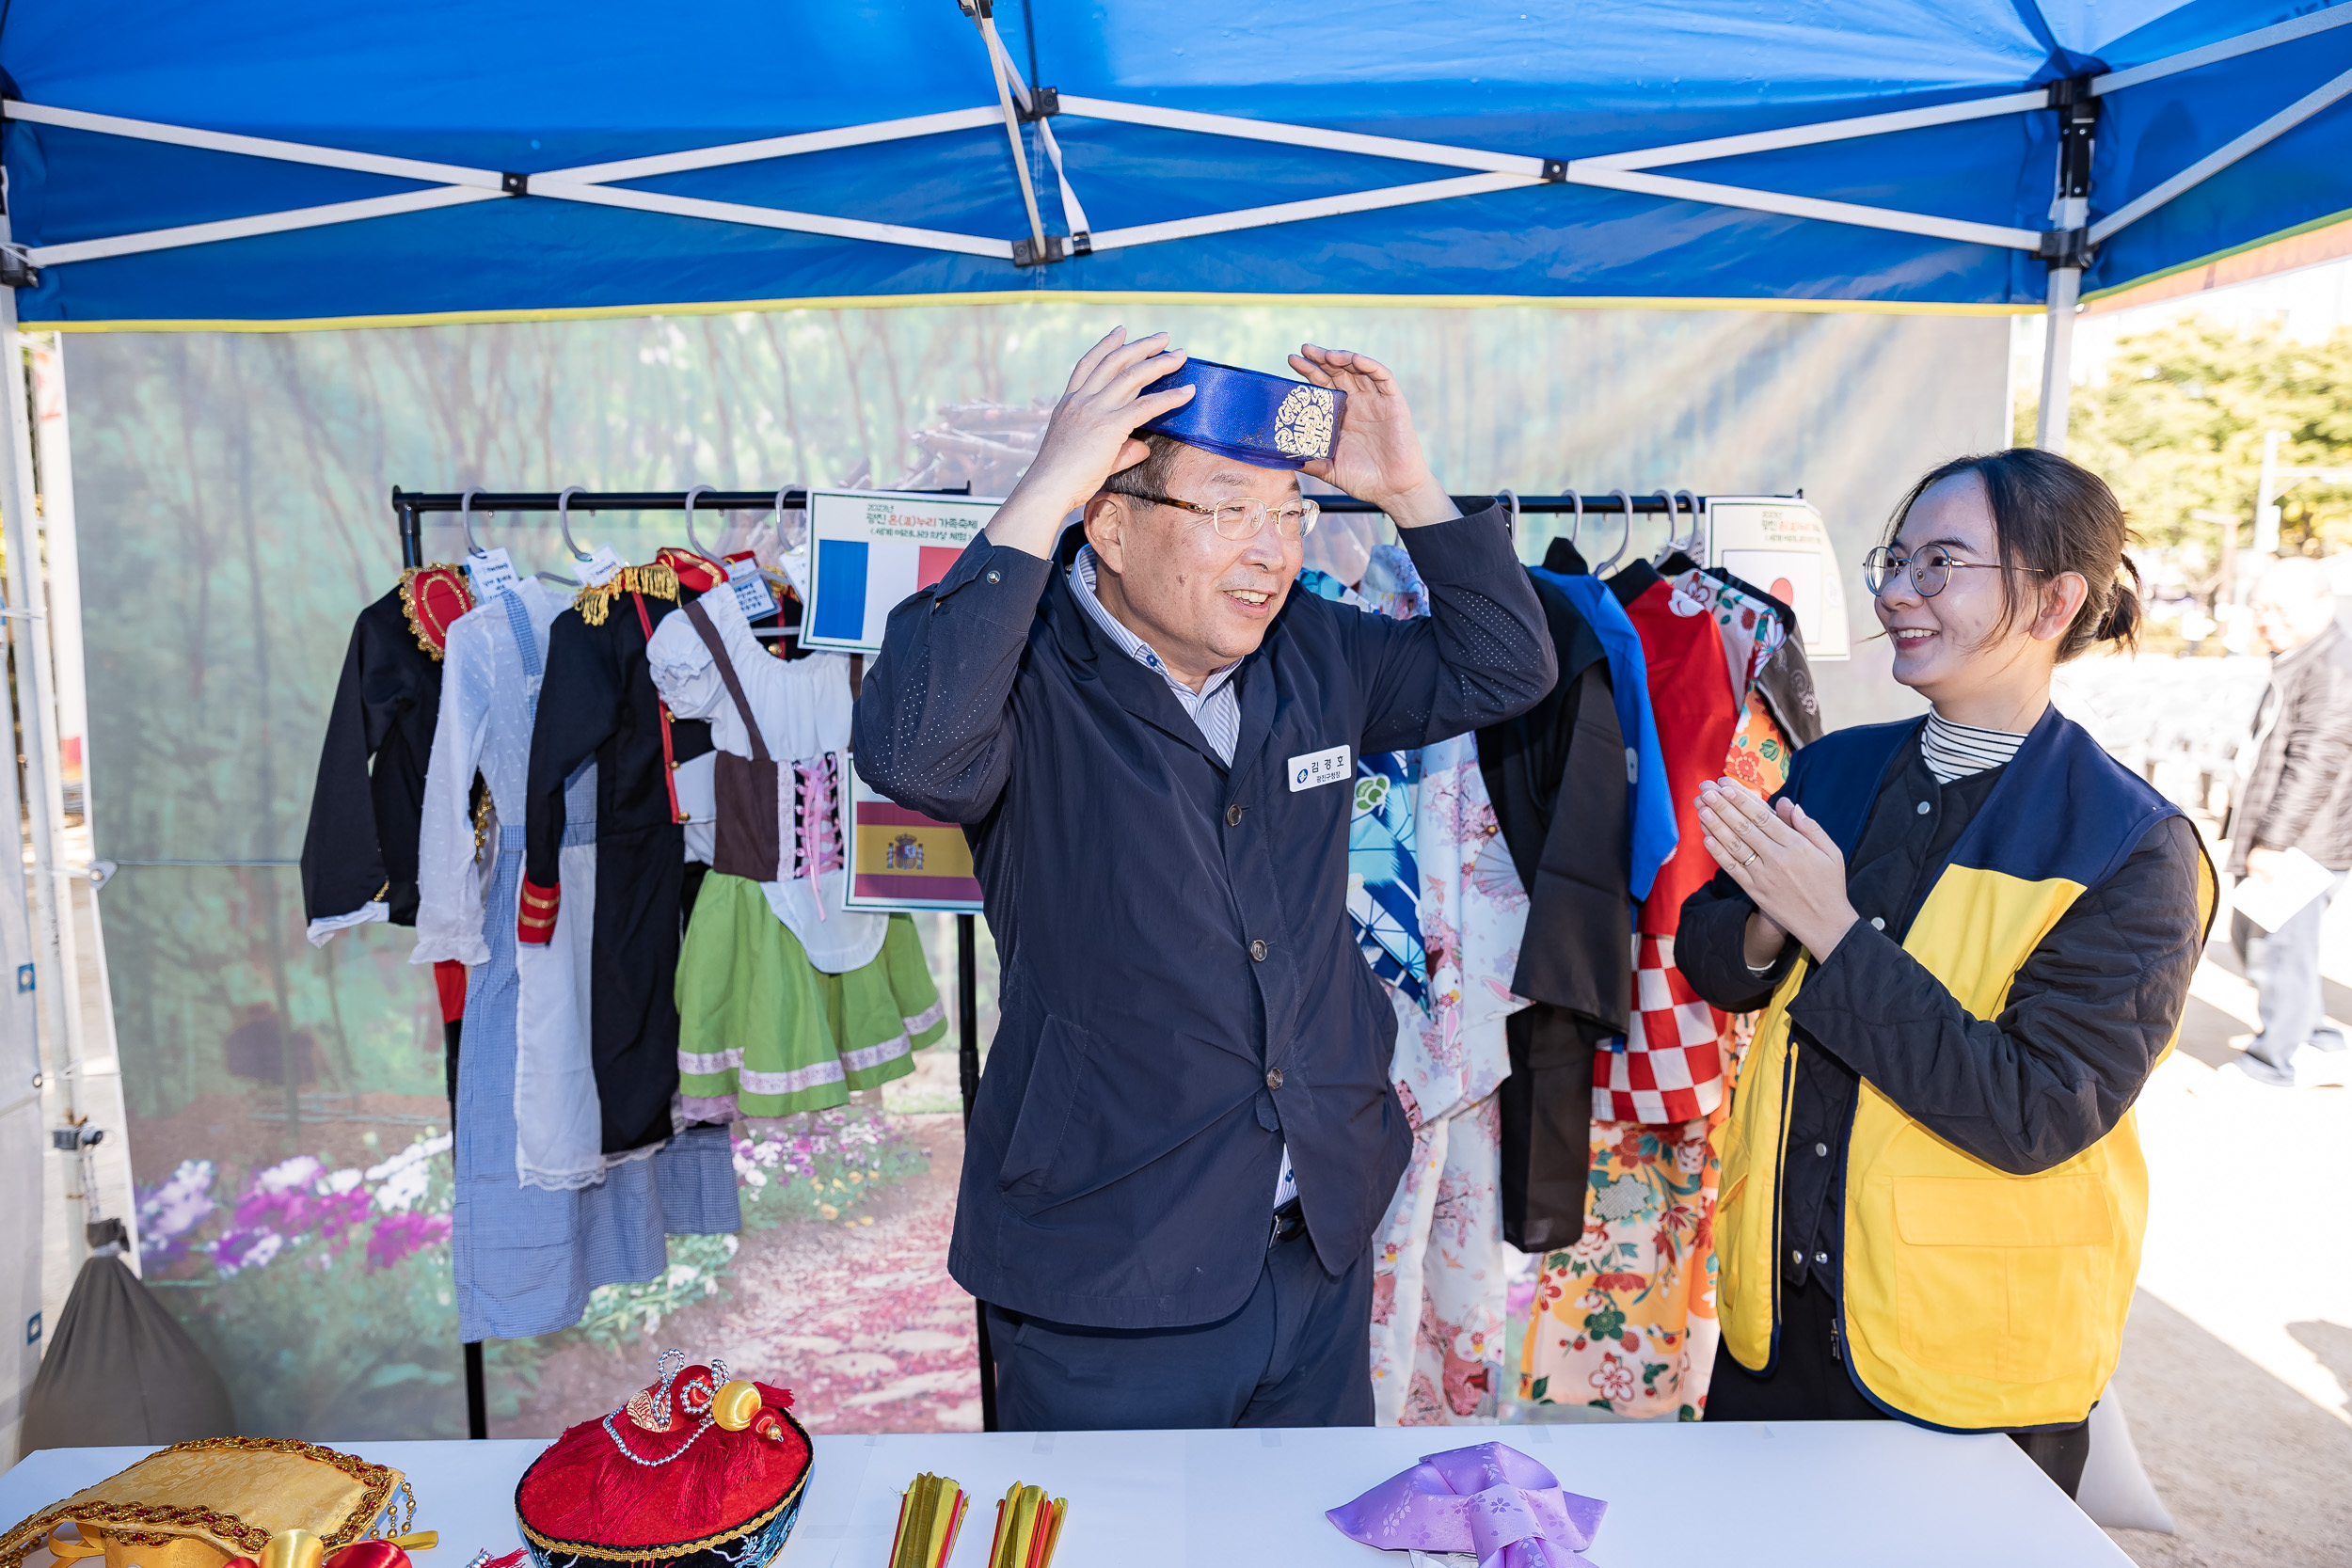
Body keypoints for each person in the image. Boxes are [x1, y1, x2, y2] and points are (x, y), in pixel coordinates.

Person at [851, 328, 1555, 1430]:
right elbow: (914, 756)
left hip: (1314, 1242)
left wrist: (1406, 485)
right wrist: (1045, 480)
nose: (1271, 551)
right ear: (1112, 522)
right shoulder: (1020, 672)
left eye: (1288, 514)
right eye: (1228, 509)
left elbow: (1508, 663)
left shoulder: (1312, 649)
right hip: (1109, 1268)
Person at [1675, 449, 2212, 1497]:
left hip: (1970, 1366)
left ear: (2055, 600)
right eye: (1894, 559)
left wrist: (1830, 928)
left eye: (1939, 564)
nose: (1892, 592)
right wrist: (1762, 929)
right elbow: (1714, 950)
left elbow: (2037, 1106)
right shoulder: (1836, 766)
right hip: (1774, 1327)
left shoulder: (2131, 843)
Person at [2223, 556, 2352, 1088]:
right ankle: (2316, 1040)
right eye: (2259, 606)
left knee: (2276, 946)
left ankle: (2275, 1061)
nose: (2267, 618)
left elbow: (2317, 759)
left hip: (2304, 841)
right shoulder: (2302, 655)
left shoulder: (2333, 665)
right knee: (2268, 940)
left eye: (2281, 608)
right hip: (2299, 835)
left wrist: (2272, 842)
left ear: (2323, 606)